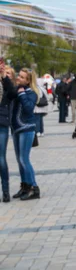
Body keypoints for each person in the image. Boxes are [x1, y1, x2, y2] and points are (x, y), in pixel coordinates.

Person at [10, 68, 41, 200]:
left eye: (22, 77)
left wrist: (22, 94)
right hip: (16, 128)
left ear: (28, 81)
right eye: (19, 76)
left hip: (27, 128)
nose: (19, 78)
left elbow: (28, 109)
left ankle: (34, 187)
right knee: (19, 160)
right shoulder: (16, 90)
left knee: (24, 159)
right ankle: (25, 186)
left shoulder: (31, 93)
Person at [0, 61, 14, 202]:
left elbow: (13, 93)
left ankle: (5, 191)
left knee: (1, 158)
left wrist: (4, 77)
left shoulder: (5, 83)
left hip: (2, 124)